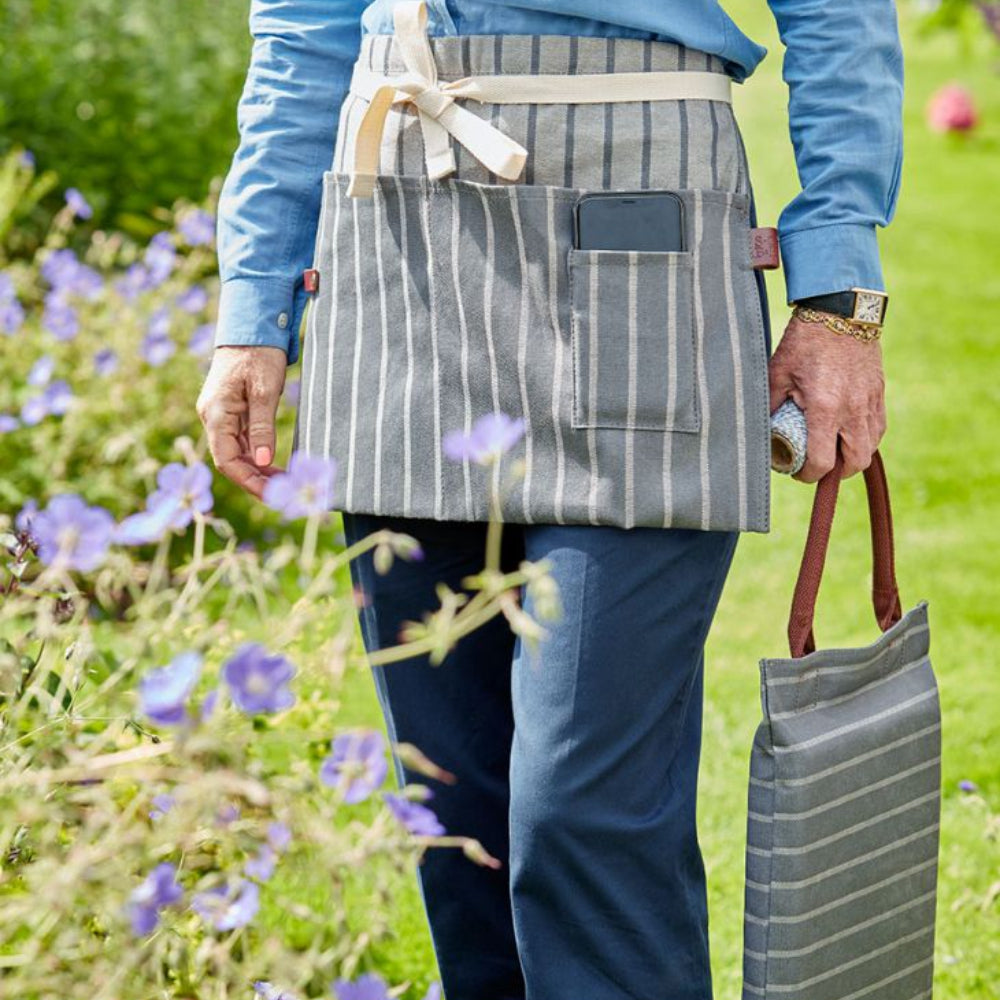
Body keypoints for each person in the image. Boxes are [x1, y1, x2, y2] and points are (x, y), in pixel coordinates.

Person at [196, 1, 903, 997]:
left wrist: (839, 299)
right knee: (456, 817)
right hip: (398, 236)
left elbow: (837, 14)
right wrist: (252, 305)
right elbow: (304, 28)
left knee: (582, 806)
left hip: (648, 213)